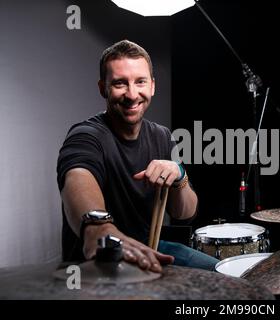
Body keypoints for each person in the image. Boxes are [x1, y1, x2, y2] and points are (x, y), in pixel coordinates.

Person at [57, 39, 219, 272]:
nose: (132, 94)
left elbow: (185, 214)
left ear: (152, 86)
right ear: (103, 88)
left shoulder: (162, 136)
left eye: (140, 82)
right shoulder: (86, 135)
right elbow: (77, 177)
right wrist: (100, 230)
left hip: (149, 247)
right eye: (120, 83)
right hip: (98, 259)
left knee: (226, 277)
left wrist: (179, 175)